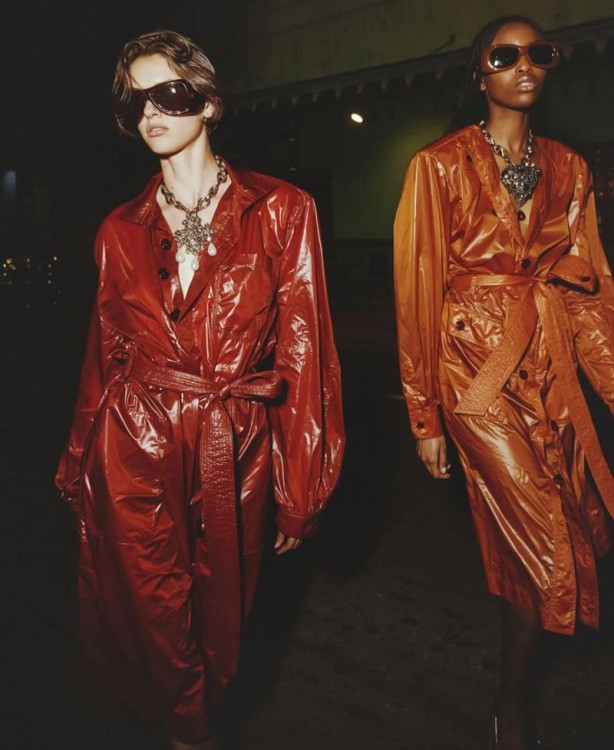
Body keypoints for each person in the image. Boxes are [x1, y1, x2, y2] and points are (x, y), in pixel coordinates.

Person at [55, 28, 345, 750]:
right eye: (135, 101)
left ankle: (193, 720)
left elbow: (306, 351)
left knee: (223, 629)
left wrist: (301, 485)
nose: (151, 111)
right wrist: (77, 458)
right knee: (158, 618)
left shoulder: (282, 210)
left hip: (234, 443)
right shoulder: (118, 230)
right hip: (134, 441)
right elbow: (103, 352)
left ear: (209, 102)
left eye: (170, 93)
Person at [394, 14, 614, 750]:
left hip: (551, 369)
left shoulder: (570, 168)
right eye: (505, 54)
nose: (525, 65)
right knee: (548, 544)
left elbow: (590, 292)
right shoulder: (438, 166)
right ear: (479, 71)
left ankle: (506, 698)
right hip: (475, 381)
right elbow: (417, 292)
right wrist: (424, 416)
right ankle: (513, 715)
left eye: (539, 53)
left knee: (561, 537)